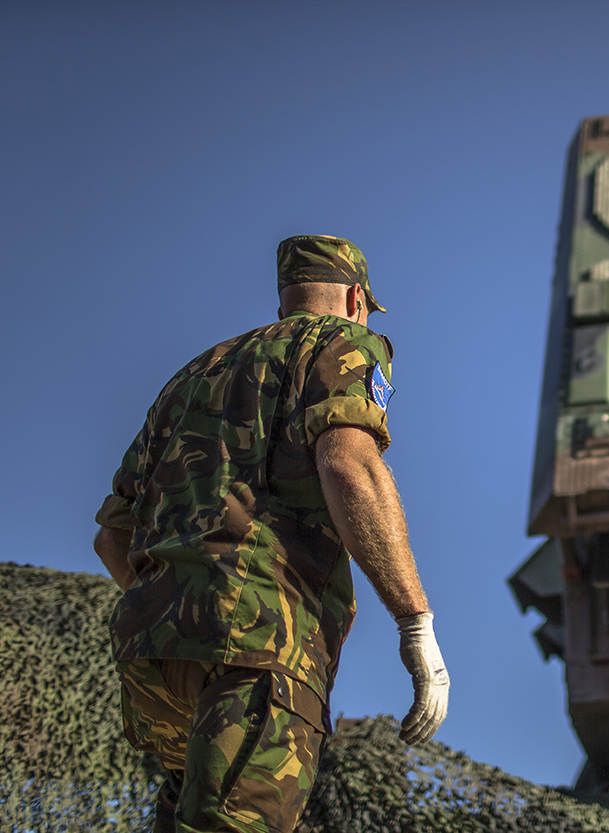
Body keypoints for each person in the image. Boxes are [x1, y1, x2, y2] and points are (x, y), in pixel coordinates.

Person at [92, 234, 449, 833]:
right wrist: (416, 625)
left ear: (283, 302)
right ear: (356, 299)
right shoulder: (342, 341)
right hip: (259, 644)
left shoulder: (190, 377)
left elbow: (111, 537)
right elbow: (349, 465)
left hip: (153, 656)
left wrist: (183, 604)